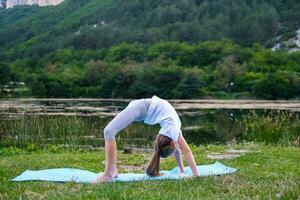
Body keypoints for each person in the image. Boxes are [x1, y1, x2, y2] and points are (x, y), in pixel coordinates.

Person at [92, 95, 199, 183]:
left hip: (141, 109)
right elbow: (187, 151)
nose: (177, 146)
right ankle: (108, 175)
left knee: (109, 131)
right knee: (109, 132)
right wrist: (195, 175)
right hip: (140, 108)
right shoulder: (172, 131)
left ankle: (112, 170)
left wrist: (182, 171)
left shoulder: (172, 132)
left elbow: (177, 149)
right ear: (173, 143)